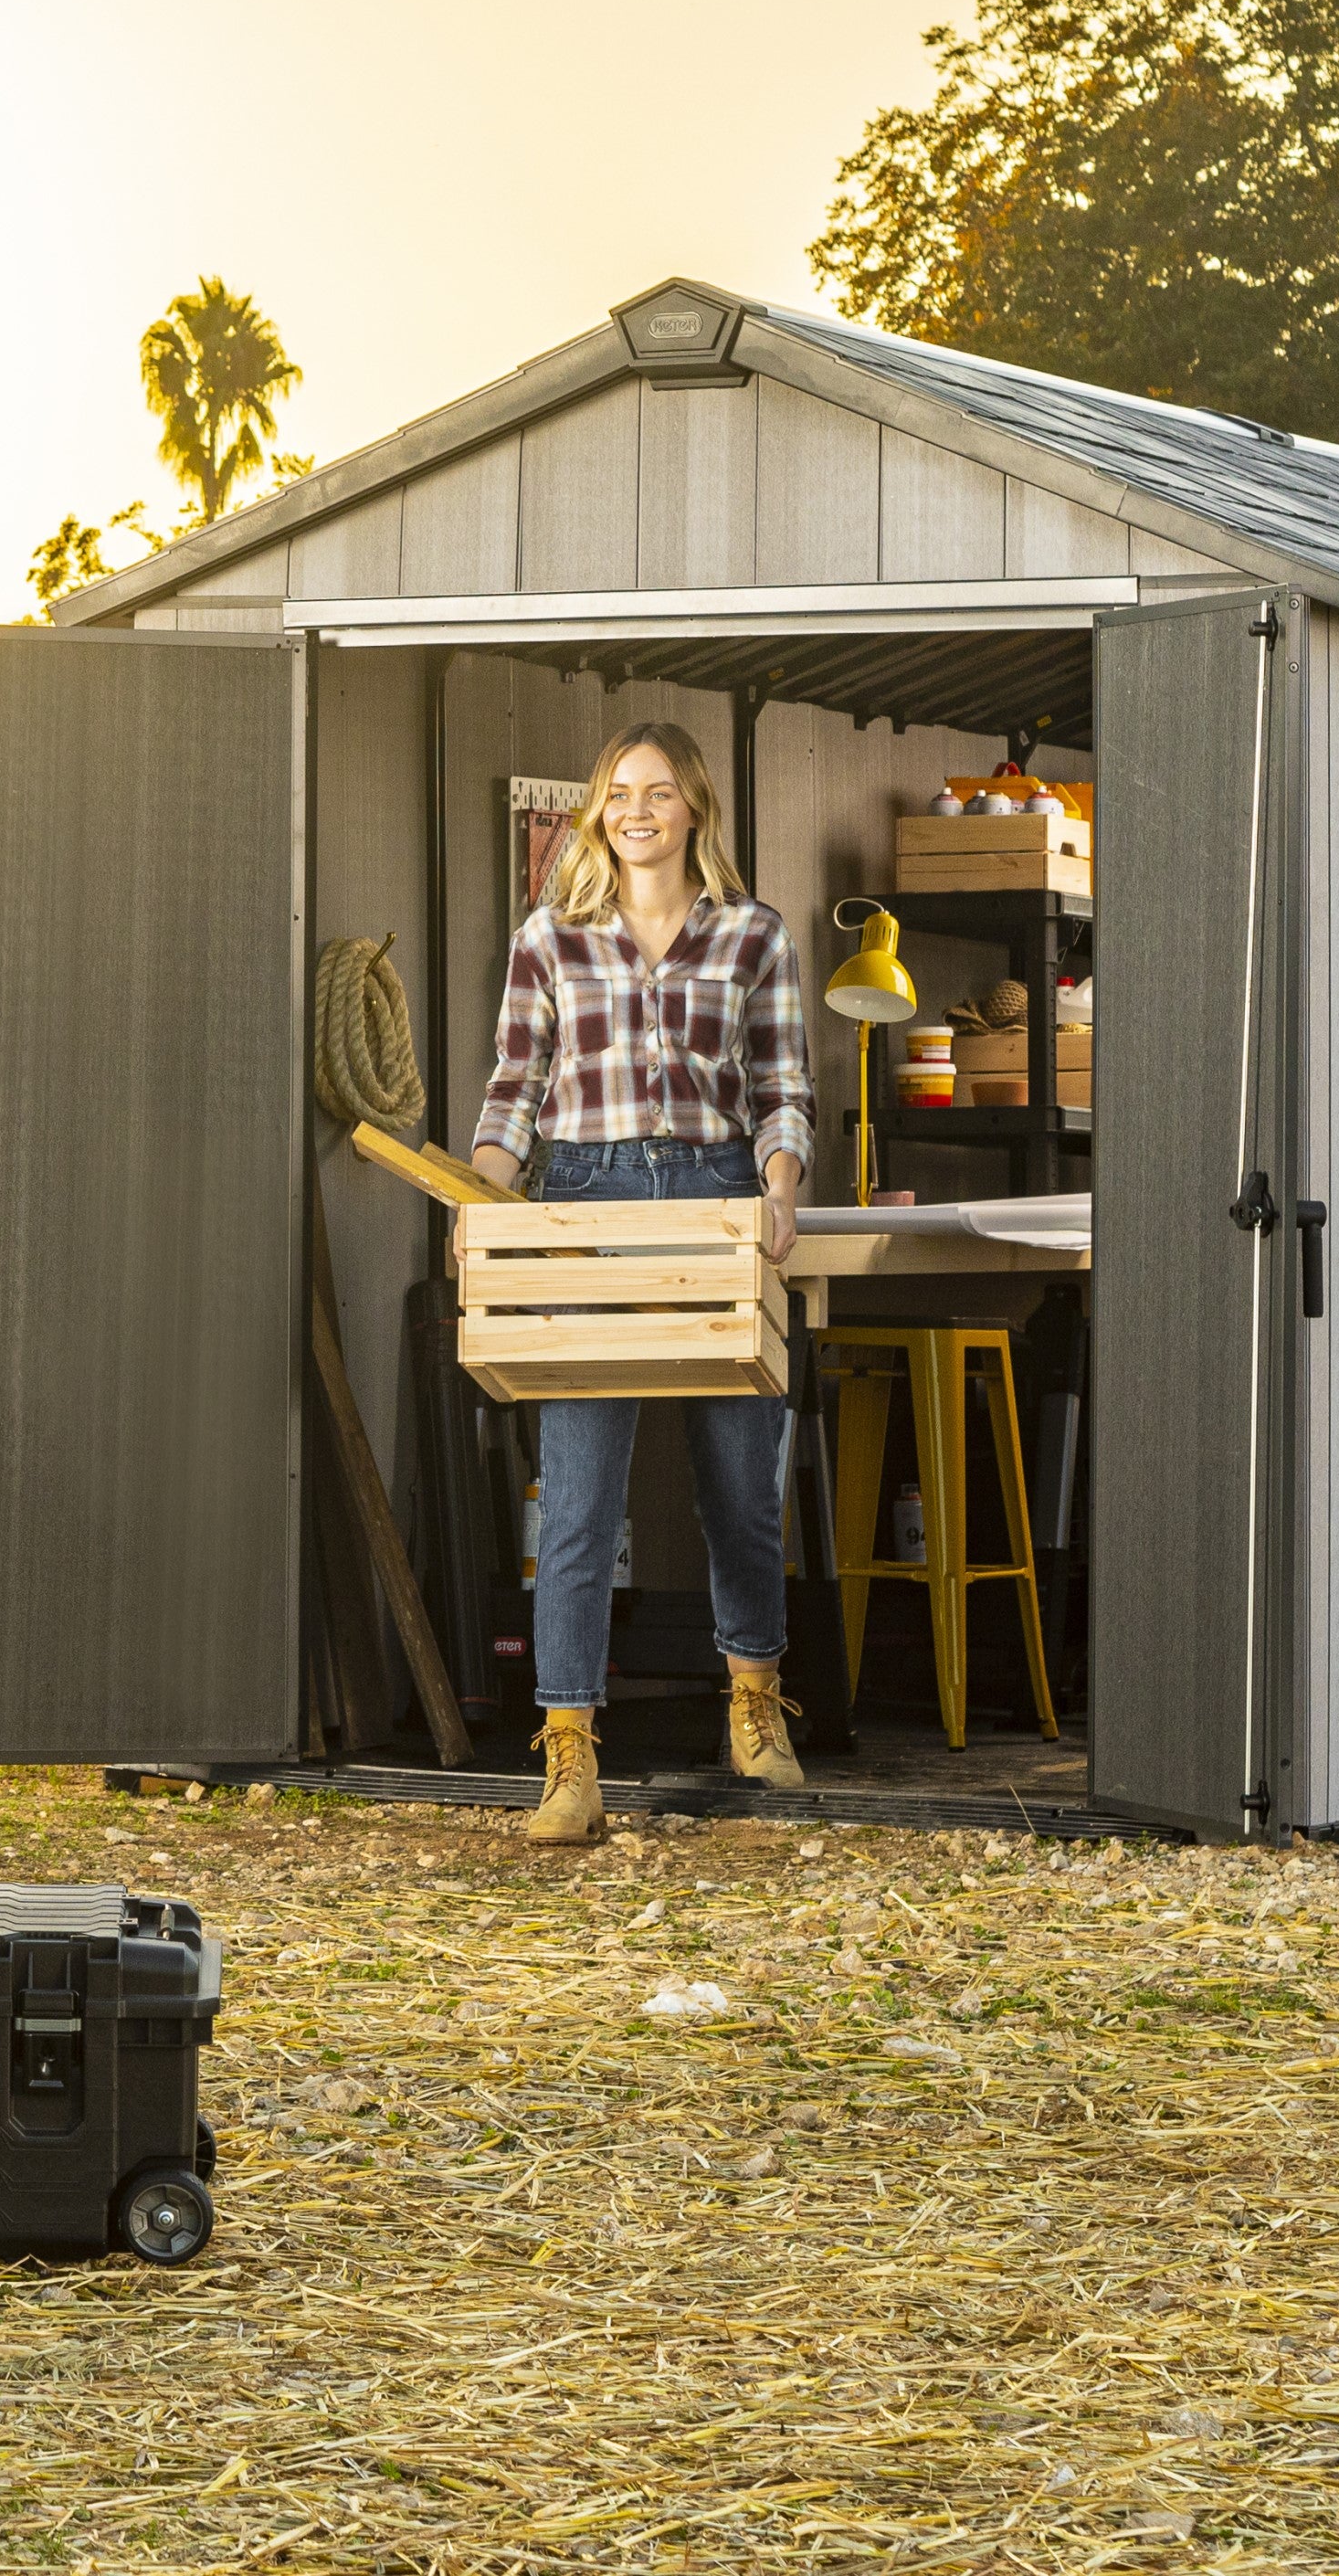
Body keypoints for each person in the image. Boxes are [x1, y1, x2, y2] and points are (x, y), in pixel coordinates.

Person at [467, 718, 811, 1841]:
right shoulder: (549, 939)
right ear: (597, 814)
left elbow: (780, 1085)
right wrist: (485, 1203)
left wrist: (780, 1186)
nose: (638, 810)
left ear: (694, 808)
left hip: (716, 1196)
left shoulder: (754, 936)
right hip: (587, 1202)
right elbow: (515, 1086)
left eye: (658, 792)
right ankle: (569, 1757)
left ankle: (754, 1705)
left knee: (739, 1485)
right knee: (577, 1497)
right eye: (620, 793)